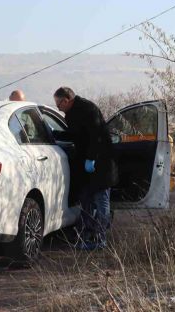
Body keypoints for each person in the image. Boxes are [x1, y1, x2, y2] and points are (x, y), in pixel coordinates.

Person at [53, 86, 115, 250]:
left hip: (100, 163)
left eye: (58, 104)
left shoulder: (88, 109)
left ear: (66, 100)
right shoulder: (71, 113)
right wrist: (56, 134)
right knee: (86, 201)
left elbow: (97, 137)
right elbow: (75, 135)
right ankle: (88, 235)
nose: (58, 107)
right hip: (85, 166)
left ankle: (100, 238)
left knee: (102, 201)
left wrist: (91, 158)